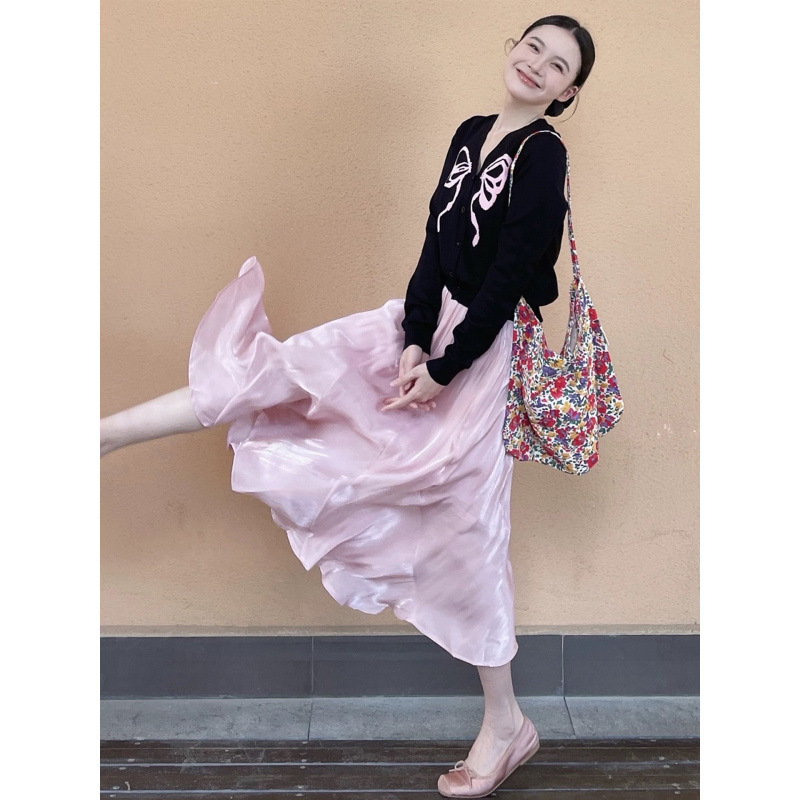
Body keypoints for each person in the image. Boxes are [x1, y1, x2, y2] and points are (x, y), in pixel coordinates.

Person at [100, 14, 595, 798]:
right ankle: (103, 435)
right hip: (423, 332)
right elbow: (434, 246)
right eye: (532, 46)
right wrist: (413, 339)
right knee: (288, 371)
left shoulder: (545, 155)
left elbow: (506, 280)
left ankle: (507, 725)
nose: (537, 63)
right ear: (513, 50)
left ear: (567, 93)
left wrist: (445, 368)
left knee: (469, 534)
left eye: (557, 64)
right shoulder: (471, 132)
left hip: (480, 359)